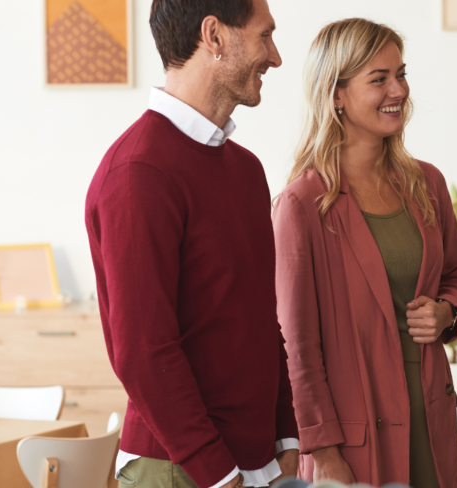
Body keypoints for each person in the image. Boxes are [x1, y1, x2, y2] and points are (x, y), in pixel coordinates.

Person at [84, 0, 298, 487]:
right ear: (215, 36)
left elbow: (262, 320)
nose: (276, 56)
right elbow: (142, 350)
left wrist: (286, 436)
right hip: (182, 469)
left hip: (258, 464)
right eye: (265, 36)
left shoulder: (245, 171)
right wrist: (216, 472)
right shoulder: (140, 172)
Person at [273, 18, 457, 488]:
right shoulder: (302, 204)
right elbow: (295, 347)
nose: (398, 90)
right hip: (353, 442)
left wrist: (447, 312)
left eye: (400, 74)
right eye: (378, 79)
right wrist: (323, 454)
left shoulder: (428, 183)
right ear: (336, 94)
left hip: (431, 418)